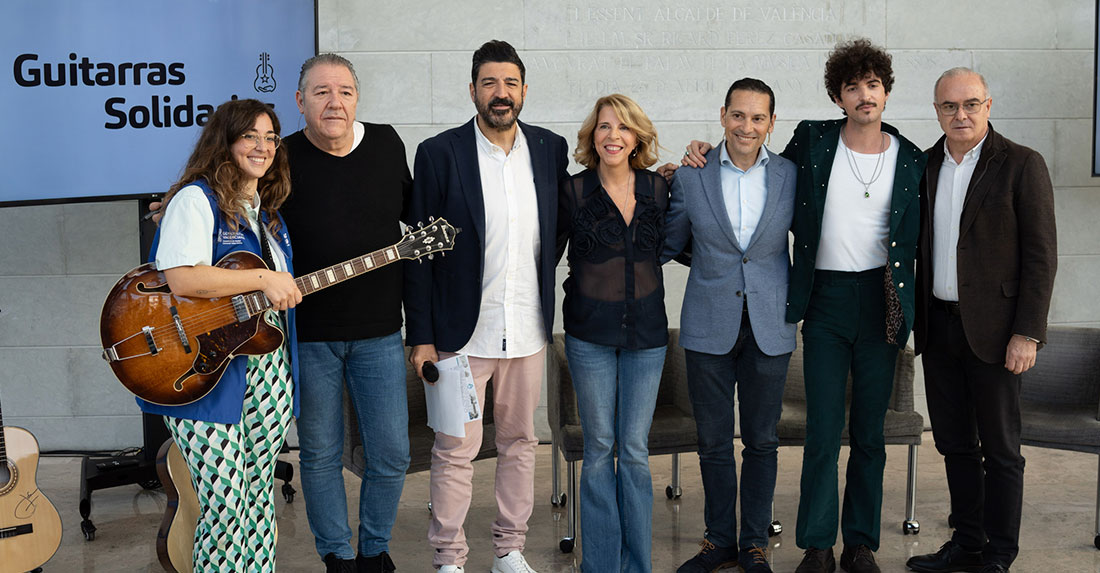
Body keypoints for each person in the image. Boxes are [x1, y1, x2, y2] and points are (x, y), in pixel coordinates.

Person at [679, 39, 927, 573]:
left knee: (869, 431)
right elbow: (751, 168)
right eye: (853, 86)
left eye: (873, 85)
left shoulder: (910, 158)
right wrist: (700, 151)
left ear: (885, 91)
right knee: (821, 430)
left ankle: (859, 543)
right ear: (838, 96)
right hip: (824, 297)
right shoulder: (812, 142)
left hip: (882, 298)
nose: (865, 95)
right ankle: (817, 544)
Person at [403, 40, 570, 573]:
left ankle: (509, 549)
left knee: (522, 442)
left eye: (511, 83)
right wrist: (421, 336)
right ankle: (449, 557)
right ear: (472, 89)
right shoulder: (439, 152)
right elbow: (417, 254)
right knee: (455, 449)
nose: (502, 94)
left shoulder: (549, 148)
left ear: (524, 90)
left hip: (526, 328)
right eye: (490, 83)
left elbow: (557, 232)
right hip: (459, 335)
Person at [139, 98, 301, 571]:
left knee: (257, 499)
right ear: (225, 142)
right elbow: (183, 279)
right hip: (200, 373)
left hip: (265, 367)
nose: (263, 146)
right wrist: (262, 279)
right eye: (250, 135)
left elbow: (274, 295)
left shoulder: (267, 217)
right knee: (226, 508)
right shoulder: (196, 198)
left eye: (271, 137)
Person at [906, 68, 1057, 573]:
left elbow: (1040, 257)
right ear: (937, 112)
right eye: (949, 106)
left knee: (1001, 448)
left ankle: (998, 553)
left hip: (998, 333)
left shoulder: (1020, 164)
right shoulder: (925, 166)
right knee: (953, 443)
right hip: (939, 325)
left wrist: (1028, 331)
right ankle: (967, 542)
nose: (960, 114)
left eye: (970, 103)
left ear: (988, 104)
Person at [282, 53, 411, 573]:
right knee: (318, 455)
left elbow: (415, 220)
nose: (334, 102)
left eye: (345, 92)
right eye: (321, 92)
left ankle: (374, 550)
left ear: (357, 98)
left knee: (391, 454)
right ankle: (336, 556)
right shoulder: (281, 157)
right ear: (300, 102)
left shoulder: (386, 144)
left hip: (379, 330)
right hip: (309, 335)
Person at [662, 78, 797, 573]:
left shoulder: (789, 175)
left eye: (758, 117)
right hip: (707, 323)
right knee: (713, 441)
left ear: (771, 123)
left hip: (770, 325)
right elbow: (669, 243)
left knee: (762, 440)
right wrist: (658, 182)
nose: (747, 126)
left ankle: (754, 543)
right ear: (722, 116)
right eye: (738, 115)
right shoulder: (691, 176)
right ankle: (718, 540)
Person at [556, 93, 668, 573]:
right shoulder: (574, 192)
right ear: (592, 136)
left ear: (637, 136)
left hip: (647, 338)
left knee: (636, 452)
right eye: (604, 127)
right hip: (589, 337)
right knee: (600, 449)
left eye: (622, 128)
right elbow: (543, 256)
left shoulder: (660, 190)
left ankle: (636, 565)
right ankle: (600, 566)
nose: (613, 136)